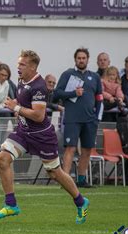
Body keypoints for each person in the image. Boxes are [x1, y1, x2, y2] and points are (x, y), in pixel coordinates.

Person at [0, 50, 89, 225]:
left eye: (22, 64)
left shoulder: (39, 86)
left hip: (42, 136)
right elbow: (23, 105)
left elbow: (38, 115)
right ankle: (11, 204)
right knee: (2, 159)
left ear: (32, 66)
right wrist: (18, 109)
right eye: (18, 63)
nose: (18, 67)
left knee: (54, 173)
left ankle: (81, 202)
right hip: (23, 132)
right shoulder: (22, 80)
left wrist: (15, 108)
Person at [54, 47, 103, 188]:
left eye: (84, 58)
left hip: (90, 120)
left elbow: (99, 97)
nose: (81, 60)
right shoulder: (67, 74)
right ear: (75, 59)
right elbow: (57, 94)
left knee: (87, 150)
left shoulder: (95, 77)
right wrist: (73, 93)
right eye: (79, 58)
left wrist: (96, 117)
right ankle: (65, 181)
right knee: (70, 148)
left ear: (88, 59)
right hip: (72, 119)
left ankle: (81, 180)